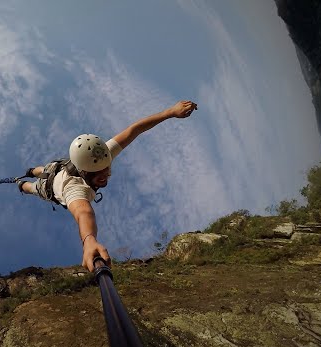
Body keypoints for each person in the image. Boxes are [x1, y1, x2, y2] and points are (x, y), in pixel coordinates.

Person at [16, 100, 198, 272]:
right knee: (34, 188)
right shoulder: (75, 189)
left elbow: (134, 130)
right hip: (52, 185)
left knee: (46, 170)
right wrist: (89, 240)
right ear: (86, 172)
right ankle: (22, 182)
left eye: (106, 169)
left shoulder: (102, 155)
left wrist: (170, 112)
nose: (105, 175)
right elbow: (83, 212)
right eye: (99, 174)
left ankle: (33, 171)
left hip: (58, 168)